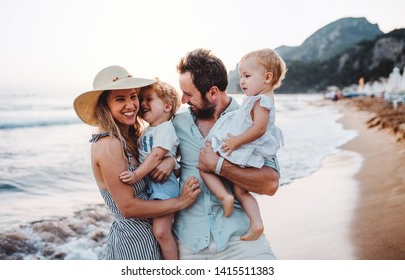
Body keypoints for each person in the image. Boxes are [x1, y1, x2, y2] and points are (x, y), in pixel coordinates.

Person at [73, 65, 200, 260]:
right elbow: (129, 208)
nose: (131, 105)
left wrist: (169, 160)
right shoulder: (109, 145)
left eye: (133, 96)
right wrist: (181, 202)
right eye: (120, 99)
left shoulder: (132, 139)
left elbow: (157, 156)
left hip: (151, 236)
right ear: (105, 106)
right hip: (134, 243)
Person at [171, 48, 280, 259]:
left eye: (188, 94)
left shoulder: (251, 119)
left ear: (212, 92)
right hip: (190, 244)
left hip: (241, 239)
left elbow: (271, 184)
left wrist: (219, 166)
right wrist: (167, 162)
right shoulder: (177, 124)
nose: (182, 100)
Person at [200, 48, 285, 241]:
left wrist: (236, 141)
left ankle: (226, 198)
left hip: (246, 147)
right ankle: (256, 223)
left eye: (247, 76)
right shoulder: (259, 98)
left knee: (205, 165)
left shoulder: (262, 100)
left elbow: (259, 129)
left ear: (267, 77)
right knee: (240, 189)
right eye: (241, 76)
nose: (242, 81)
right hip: (247, 146)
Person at [119, 80, 182, 260]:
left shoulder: (165, 128)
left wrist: (136, 175)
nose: (143, 104)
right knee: (159, 231)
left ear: (167, 106)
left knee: (161, 232)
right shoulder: (149, 130)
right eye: (142, 99)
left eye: (149, 99)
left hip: (164, 186)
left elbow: (156, 156)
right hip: (152, 185)